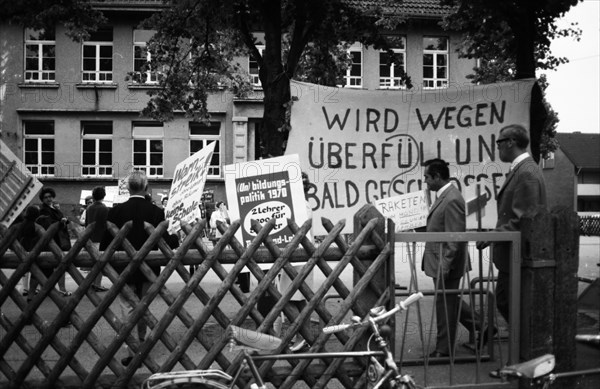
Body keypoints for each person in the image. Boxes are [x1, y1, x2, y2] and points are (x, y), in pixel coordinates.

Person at [100, 171, 179, 366]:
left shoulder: (115, 211)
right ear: (146, 187)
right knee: (143, 306)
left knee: (126, 309)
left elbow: (104, 245)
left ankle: (131, 349)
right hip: (148, 268)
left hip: (123, 268)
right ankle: (141, 343)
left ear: (128, 188)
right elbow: (165, 242)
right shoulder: (156, 212)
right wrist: (175, 236)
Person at [476, 124, 547, 322]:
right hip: (513, 256)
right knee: (509, 304)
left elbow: (522, 220)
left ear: (511, 142)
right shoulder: (523, 170)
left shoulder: (525, 173)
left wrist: (491, 236)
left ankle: (523, 351)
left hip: (517, 256)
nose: (497, 147)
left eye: (499, 142)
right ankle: (522, 349)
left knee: (511, 305)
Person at [422, 159, 481, 358]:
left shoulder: (451, 198)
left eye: (427, 177)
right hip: (442, 261)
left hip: (446, 263)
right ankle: (483, 326)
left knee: (444, 304)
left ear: (438, 177)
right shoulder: (445, 196)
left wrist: (444, 266)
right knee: (449, 299)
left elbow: (454, 238)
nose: (426, 182)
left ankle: (443, 350)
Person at [37, 186, 71, 296]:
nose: (48, 199)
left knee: (59, 266)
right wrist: (61, 222)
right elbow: (48, 224)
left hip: (58, 240)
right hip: (51, 241)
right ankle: (48, 289)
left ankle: (59, 289)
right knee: (51, 266)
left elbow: (60, 219)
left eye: (50, 196)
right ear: (42, 199)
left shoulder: (55, 208)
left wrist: (65, 220)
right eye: (46, 197)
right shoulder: (43, 210)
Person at [85, 186, 109, 292]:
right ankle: (97, 284)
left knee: (93, 263)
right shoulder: (104, 208)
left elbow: (86, 223)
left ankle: (92, 283)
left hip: (90, 238)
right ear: (103, 195)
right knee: (100, 263)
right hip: (100, 238)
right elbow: (106, 225)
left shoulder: (89, 208)